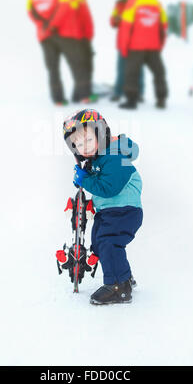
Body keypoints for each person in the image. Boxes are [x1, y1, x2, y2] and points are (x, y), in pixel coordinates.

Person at [63, 109, 143, 305]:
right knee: (99, 242)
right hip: (111, 212)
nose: (84, 147)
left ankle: (119, 286)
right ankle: (125, 276)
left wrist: (86, 180)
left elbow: (109, 188)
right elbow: (97, 182)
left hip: (125, 211)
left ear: (101, 134)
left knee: (109, 242)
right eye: (79, 145)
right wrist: (84, 177)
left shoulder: (115, 155)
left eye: (88, 140)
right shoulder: (99, 158)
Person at [27, 0, 95, 105]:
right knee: (78, 64)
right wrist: (53, 25)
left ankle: (58, 99)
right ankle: (84, 96)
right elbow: (65, 7)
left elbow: (31, 11)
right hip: (66, 33)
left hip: (44, 35)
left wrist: (45, 26)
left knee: (53, 68)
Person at [118, 0, 168, 109]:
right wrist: (160, 44)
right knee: (159, 72)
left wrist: (123, 46)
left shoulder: (133, 2)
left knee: (131, 73)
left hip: (136, 46)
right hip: (153, 47)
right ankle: (161, 99)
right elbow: (163, 26)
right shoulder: (157, 3)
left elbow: (126, 26)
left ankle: (131, 101)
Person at [110, 0, 145, 102]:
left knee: (138, 69)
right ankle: (118, 92)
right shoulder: (119, 3)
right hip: (123, 41)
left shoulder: (140, 3)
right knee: (121, 68)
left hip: (137, 42)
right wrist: (117, 19)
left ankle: (139, 93)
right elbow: (112, 20)